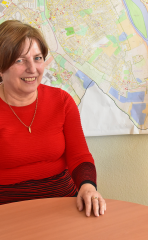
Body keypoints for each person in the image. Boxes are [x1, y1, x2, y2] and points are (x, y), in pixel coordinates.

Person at [0, 20, 106, 217]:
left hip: (63, 206)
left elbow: (80, 156)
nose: (32, 69)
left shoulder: (62, 101)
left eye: (38, 58)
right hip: (7, 211)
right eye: (20, 60)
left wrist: (88, 186)